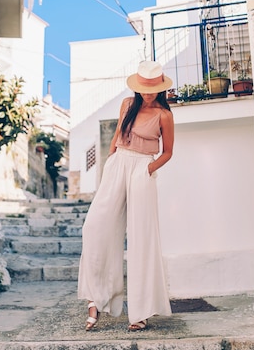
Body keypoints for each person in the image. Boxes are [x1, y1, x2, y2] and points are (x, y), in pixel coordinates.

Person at [77, 60, 175, 332]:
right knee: (95, 227)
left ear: (160, 88)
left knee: (142, 237)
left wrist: (148, 169)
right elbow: (118, 136)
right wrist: (111, 165)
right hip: (119, 163)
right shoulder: (126, 106)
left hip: (143, 167)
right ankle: (95, 299)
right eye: (144, 88)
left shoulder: (164, 115)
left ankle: (141, 312)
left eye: (152, 89)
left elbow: (167, 152)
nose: (147, 93)